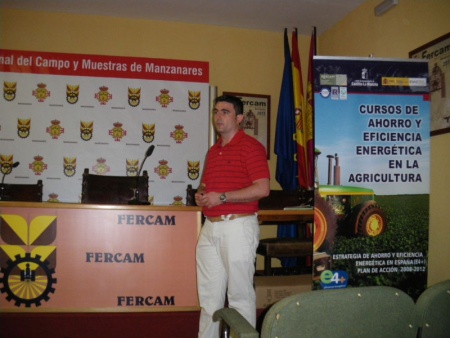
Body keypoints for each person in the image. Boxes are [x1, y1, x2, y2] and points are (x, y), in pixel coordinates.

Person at [195, 95, 270, 337]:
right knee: (209, 299)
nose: (218, 116)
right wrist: (202, 195)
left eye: (225, 112)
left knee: (239, 296)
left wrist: (223, 197)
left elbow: (262, 188)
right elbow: (206, 186)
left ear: (239, 118)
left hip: (237, 227)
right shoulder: (213, 150)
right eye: (216, 111)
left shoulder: (252, 147)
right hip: (210, 228)